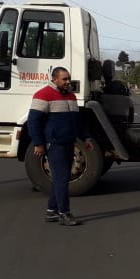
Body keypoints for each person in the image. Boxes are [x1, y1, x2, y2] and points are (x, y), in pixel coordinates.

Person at [28, 67, 94, 227]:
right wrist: (38, 143)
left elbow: (77, 122)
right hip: (54, 144)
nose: (68, 82)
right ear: (54, 79)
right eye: (64, 79)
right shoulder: (43, 95)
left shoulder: (71, 96)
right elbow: (33, 122)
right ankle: (64, 213)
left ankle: (52, 211)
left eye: (69, 79)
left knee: (60, 179)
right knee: (62, 179)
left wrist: (86, 137)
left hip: (69, 143)